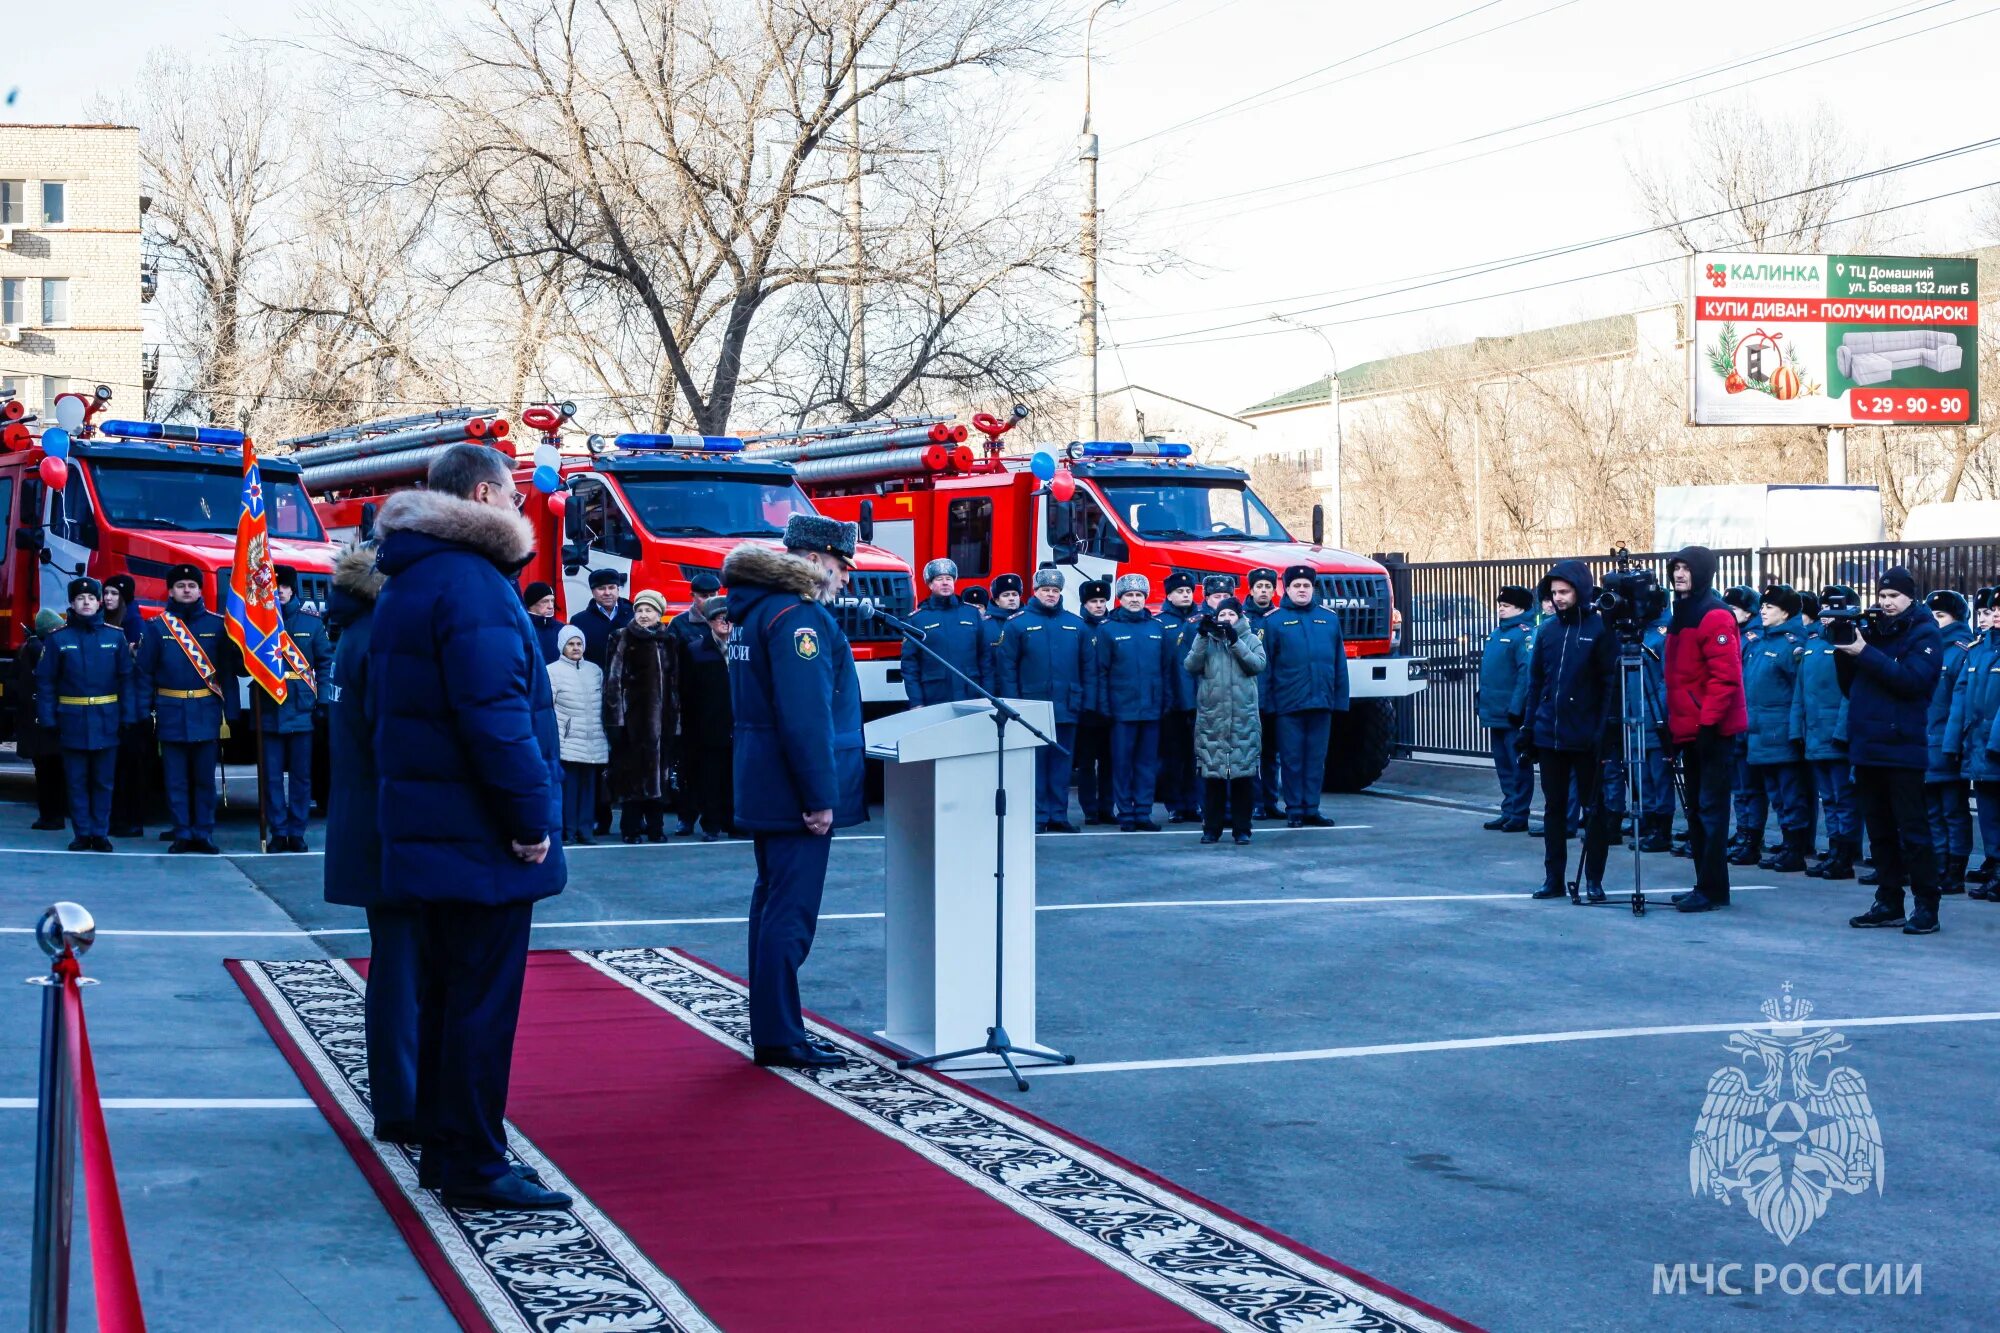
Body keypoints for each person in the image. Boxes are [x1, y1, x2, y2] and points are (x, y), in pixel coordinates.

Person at [369, 442, 570, 1211]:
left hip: (434, 830)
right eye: (515, 494)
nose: (522, 506)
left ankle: (448, 1151)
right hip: (478, 837)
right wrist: (529, 821)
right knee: (480, 1010)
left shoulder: (413, 578)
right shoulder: (475, 584)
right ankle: (477, 1162)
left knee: (446, 1000)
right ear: (485, 495)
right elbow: (497, 722)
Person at [723, 513, 867, 1069]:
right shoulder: (797, 616)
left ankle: (777, 1028)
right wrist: (818, 796)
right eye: (840, 566)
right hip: (790, 788)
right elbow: (804, 717)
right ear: (812, 561)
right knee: (790, 913)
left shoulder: (757, 607)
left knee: (772, 906)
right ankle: (780, 1036)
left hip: (764, 779)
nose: (846, 578)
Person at [322, 541, 419, 1144]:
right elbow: (399, 745)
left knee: (395, 967)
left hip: (365, 820)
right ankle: (404, 1101)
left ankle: (400, 1096)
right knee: (405, 971)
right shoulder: (378, 640)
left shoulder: (352, 635)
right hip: (392, 825)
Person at [1838, 567, 1945, 935]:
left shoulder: (1925, 632)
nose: (1885, 603)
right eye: (1882, 596)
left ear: (1909, 598)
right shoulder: (1871, 630)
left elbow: (1912, 682)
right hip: (1867, 744)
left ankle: (1927, 906)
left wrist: (1864, 652)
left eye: (1893, 597)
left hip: (1902, 747)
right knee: (1879, 831)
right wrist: (1844, 649)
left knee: (1913, 831)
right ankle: (1888, 901)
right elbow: (1849, 686)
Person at [1520, 560, 1617, 901]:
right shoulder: (1546, 631)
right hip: (1550, 734)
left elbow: (1609, 684)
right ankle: (1553, 878)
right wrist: (1529, 727)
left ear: (1580, 590)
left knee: (1594, 809)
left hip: (1587, 735)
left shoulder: (1600, 629)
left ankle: (1594, 879)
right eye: (1554, 593)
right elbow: (1536, 683)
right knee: (1554, 808)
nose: (1558, 598)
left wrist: (1603, 730)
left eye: (1565, 591)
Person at [1662, 547, 1747, 913]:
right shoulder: (1681, 613)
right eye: (1676, 568)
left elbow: (1724, 679)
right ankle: (1705, 884)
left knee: (1710, 811)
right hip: (1691, 728)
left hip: (1710, 731)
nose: (1680, 574)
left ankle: (1712, 889)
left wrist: (1709, 725)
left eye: (1686, 569)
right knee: (1696, 810)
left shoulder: (1713, 615)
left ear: (1703, 572)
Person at [135, 562, 239, 854]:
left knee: (204, 780)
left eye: (191, 586)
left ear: (199, 590)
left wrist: (231, 712)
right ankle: (182, 832)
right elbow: (144, 674)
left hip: (206, 712)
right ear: (170, 590)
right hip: (170, 711)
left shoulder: (217, 626)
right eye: (180, 586)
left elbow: (228, 673)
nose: (186, 590)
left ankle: (203, 833)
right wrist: (143, 712)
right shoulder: (157, 628)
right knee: (176, 780)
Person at [36, 577, 135, 851]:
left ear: (99, 601)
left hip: (107, 719)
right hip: (72, 719)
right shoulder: (58, 639)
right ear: (72, 603)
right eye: (80, 599)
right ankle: (82, 833)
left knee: (103, 781)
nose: (86, 602)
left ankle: (100, 832)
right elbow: (46, 682)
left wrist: (128, 717)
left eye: (91, 598)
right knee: (77, 781)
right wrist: (48, 718)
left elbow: (126, 680)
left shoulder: (114, 636)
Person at [994, 567, 1089, 832]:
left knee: (1061, 764)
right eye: (1046, 590)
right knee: (1035, 764)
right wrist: (1014, 704)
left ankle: (1059, 815)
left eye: (1055, 591)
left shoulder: (1075, 624)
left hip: (1067, 705)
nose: (1051, 595)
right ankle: (1038, 816)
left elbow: (1088, 667)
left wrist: (1085, 701)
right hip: (1032, 706)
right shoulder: (1017, 624)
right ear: (1035, 592)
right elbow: (1007, 668)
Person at [1264, 564, 1349, 829]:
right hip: (1287, 704)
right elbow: (1265, 667)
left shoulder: (1329, 619)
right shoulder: (1274, 621)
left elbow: (1339, 663)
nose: (1302, 590)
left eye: (1306, 586)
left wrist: (1339, 700)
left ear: (1313, 589)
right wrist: (1266, 704)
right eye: (1297, 586)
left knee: (1315, 760)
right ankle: (1295, 810)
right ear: (1287, 589)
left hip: (1320, 702)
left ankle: (1312, 808)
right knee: (1291, 760)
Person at [254, 565, 330, 852]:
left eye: (283, 586)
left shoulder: (311, 624)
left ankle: (297, 832)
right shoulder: (258, 624)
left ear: (292, 589)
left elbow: (324, 663)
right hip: (270, 707)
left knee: (301, 776)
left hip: (301, 708)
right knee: (271, 777)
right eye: (274, 586)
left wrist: (322, 700)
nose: (279, 591)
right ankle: (278, 831)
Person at [1185, 595, 1266, 845]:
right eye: (1222, 615)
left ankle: (1242, 829)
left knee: (1243, 778)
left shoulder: (1251, 639)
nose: (1226, 619)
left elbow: (1257, 665)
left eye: (1231, 615)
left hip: (1243, 717)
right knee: (1213, 778)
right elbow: (1190, 665)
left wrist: (1235, 641)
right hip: (1213, 718)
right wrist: (1200, 636)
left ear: (1239, 617)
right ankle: (1212, 829)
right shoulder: (1207, 641)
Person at [1745, 585, 1814, 873]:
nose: (1762, 610)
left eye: (1770, 607)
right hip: (1760, 732)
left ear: (1786, 612)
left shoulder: (1791, 644)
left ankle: (1795, 847)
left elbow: (1801, 690)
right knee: (1777, 795)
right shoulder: (1761, 642)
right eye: (1762, 606)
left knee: (1791, 794)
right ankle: (1787, 845)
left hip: (1781, 732)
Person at [1097, 573, 1173, 831]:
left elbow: (1166, 669)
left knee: (1146, 764)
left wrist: (1166, 701)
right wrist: (1105, 707)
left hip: (1151, 709)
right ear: (1120, 598)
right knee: (1122, 764)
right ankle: (1125, 813)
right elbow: (1101, 671)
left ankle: (1143, 812)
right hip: (1122, 710)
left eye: (1139, 595)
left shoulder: (1157, 628)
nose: (1134, 599)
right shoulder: (1108, 630)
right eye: (1129, 595)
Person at [604, 588, 679, 843]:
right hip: (633, 719)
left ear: (659, 614)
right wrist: (615, 721)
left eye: (649, 610)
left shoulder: (667, 640)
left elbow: (674, 683)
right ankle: (631, 828)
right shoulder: (622, 637)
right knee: (633, 775)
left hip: (663, 722)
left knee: (659, 775)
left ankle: (656, 828)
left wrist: (675, 720)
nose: (644, 615)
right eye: (640, 610)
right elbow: (612, 681)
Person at [1793, 586, 1857, 880]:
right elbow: (1801, 692)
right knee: (1828, 798)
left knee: (1843, 797)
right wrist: (1798, 729)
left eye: (1836, 611)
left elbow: (1851, 693)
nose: (1829, 618)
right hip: (1816, 734)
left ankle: (1845, 854)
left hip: (1837, 736)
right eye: (1826, 612)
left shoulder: (1852, 643)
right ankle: (1833, 850)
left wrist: (1843, 732)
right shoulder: (1813, 643)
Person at [1923, 590, 1975, 895]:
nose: (1933, 621)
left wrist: (1952, 746)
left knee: (1953, 811)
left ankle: (1955, 869)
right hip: (1924, 742)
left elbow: (1960, 705)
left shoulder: (1961, 650)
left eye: (1940, 616)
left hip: (1947, 745)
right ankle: (1939, 865)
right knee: (1931, 811)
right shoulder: (1926, 648)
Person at [664, 570, 724, 835]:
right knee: (688, 766)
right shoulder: (679, 624)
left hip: (717, 705)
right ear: (693, 597)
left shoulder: (727, 621)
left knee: (715, 769)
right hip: (689, 706)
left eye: (713, 595)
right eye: (704, 596)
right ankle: (686, 817)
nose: (709, 600)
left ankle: (717, 817)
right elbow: (673, 668)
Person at [1476, 584, 1536, 832]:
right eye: (1500, 605)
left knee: (1518, 765)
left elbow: (1525, 675)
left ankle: (1519, 812)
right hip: (1494, 711)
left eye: (1506, 606)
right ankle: (1508, 809)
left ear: (1520, 608)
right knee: (1503, 765)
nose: (1501, 609)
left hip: (1511, 714)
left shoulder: (1523, 635)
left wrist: (1516, 708)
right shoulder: (1496, 634)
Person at [1954, 587, 2000, 899]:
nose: (1993, 615)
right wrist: (1954, 742)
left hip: (1993, 747)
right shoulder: (1979, 649)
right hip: (1979, 748)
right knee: (1989, 814)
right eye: (1989, 610)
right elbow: (1962, 698)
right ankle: (1995, 868)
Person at [678, 596, 737, 840]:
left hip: (740, 725)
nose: (724, 622)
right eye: (717, 617)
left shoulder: (745, 649)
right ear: (709, 621)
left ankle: (735, 823)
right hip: (707, 726)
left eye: (727, 617)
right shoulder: (695, 650)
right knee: (710, 778)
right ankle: (711, 825)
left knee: (736, 777)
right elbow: (686, 692)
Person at [547, 624, 609, 845]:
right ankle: (568, 831)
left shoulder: (595, 671)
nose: (575, 648)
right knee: (569, 789)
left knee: (588, 790)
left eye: (579, 643)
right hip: (567, 742)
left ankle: (585, 830)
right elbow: (548, 707)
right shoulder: (552, 671)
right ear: (562, 647)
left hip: (593, 740)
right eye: (571, 644)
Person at [1720, 583, 1768, 866]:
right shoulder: (1734, 634)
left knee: (1751, 786)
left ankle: (1752, 837)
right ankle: (1742, 833)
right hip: (1734, 718)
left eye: (1734, 609)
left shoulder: (1756, 638)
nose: (1729, 613)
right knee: (1739, 786)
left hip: (1749, 719)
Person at [100, 573, 149, 838]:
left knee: (131, 768)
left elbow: (138, 672)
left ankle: (132, 820)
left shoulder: (134, 625)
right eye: (106, 593)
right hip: (110, 709)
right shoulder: (102, 622)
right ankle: (114, 818)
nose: (108, 598)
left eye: (114, 594)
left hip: (131, 711)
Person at [1154, 572, 1204, 823]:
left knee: (1195, 756)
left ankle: (1192, 803)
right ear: (1169, 595)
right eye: (1180, 591)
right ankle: (1174, 805)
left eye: (1188, 591)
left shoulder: (1202, 620)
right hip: (1172, 702)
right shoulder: (1160, 623)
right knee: (1173, 757)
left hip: (1199, 701)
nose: (1185, 595)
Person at [904, 558, 987, 705]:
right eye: (939, 579)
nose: (945, 582)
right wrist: (916, 702)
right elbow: (910, 666)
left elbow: (985, 658)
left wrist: (987, 696)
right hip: (935, 696)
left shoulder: (972, 614)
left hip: (971, 694)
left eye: (949, 578)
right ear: (930, 584)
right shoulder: (917, 620)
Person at [14, 610, 69, 830]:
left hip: (35, 726)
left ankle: (49, 816)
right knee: (54, 772)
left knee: (45, 773)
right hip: (45, 725)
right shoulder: (45, 650)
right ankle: (53, 816)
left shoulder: (30, 648)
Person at [1073, 578, 1117, 826]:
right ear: (1084, 603)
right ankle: (1090, 808)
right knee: (1087, 763)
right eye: (1093, 602)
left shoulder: (1113, 627)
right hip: (1087, 707)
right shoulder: (1078, 628)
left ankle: (1107, 807)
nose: (1099, 606)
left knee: (1109, 762)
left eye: (1102, 601)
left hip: (1110, 705)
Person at [1243, 566, 1283, 819]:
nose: (1264, 591)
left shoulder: (1279, 617)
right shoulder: (1242, 618)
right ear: (1251, 589)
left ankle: (1270, 801)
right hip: (1250, 697)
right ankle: (1255, 802)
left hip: (1275, 697)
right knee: (1252, 754)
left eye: (1268, 587)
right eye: (1260, 587)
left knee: (1271, 754)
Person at [569, 568, 634, 669]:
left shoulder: (634, 616)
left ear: (618, 589)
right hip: (594, 681)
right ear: (593, 591)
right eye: (601, 588)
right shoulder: (579, 621)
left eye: (611, 587)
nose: (607, 593)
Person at [982, 572, 1024, 682]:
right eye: (1006, 595)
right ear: (996, 600)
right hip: (996, 684)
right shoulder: (985, 625)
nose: (1011, 598)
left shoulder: (1029, 621)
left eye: (1015, 594)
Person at [523, 582, 563, 664]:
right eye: (545, 601)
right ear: (531, 603)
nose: (551, 606)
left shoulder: (562, 628)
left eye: (552, 600)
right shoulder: (521, 629)